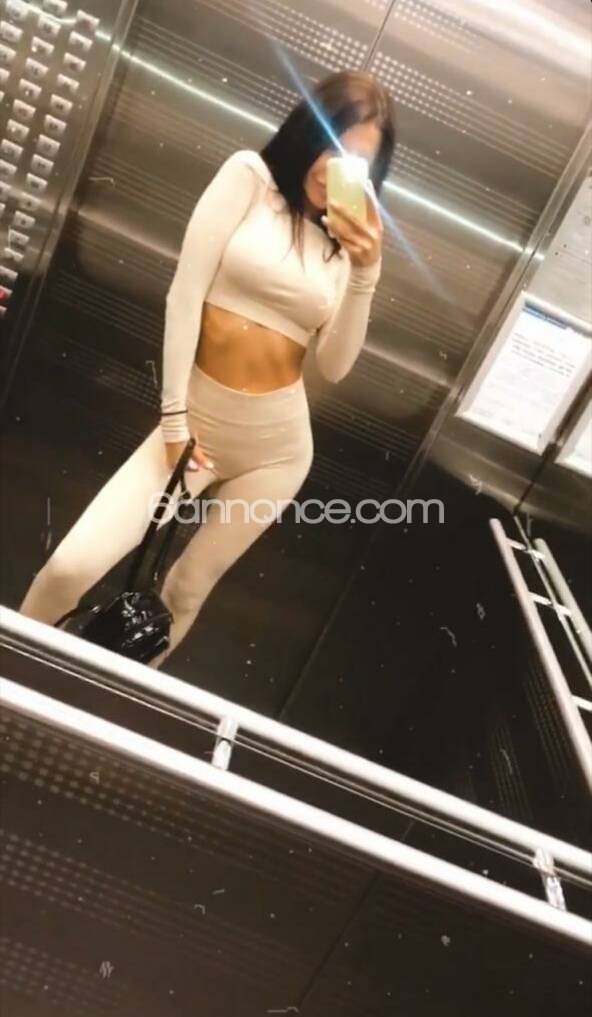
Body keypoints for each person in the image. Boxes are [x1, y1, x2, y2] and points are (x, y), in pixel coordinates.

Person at [20, 70, 396, 666]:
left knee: (185, 592)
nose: (337, 169)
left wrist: (367, 273)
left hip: (276, 453)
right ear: (308, 131)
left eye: (358, 161)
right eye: (332, 145)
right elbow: (185, 294)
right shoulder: (249, 178)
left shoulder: (347, 249)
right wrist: (174, 421)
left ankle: (110, 698)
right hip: (192, 426)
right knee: (70, 567)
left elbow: (335, 365)